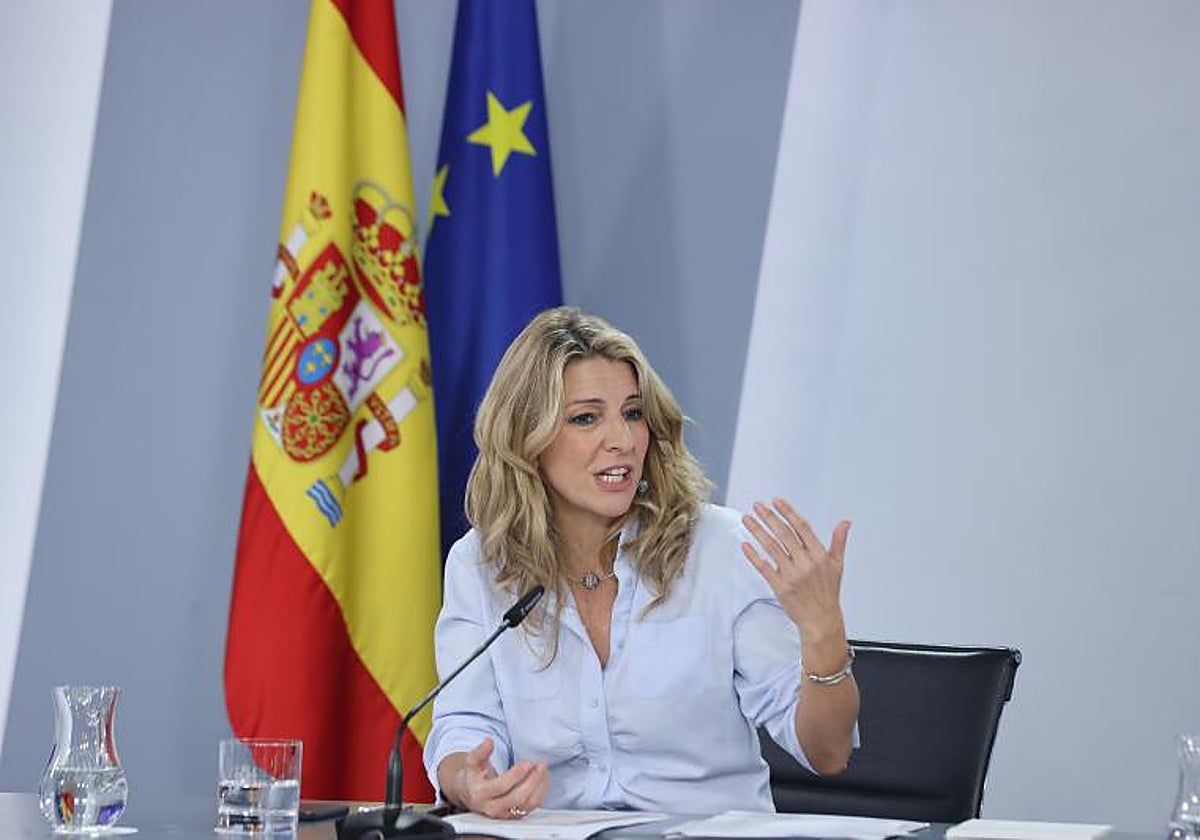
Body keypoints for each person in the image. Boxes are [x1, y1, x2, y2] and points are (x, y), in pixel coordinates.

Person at [423, 307, 859, 818]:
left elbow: (828, 752)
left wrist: (823, 633)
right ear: (527, 438)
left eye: (633, 413)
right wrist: (470, 782)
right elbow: (464, 725)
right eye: (586, 418)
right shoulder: (482, 564)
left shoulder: (720, 550)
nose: (623, 440)